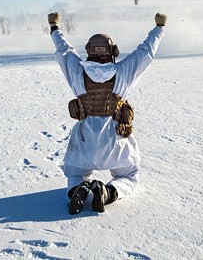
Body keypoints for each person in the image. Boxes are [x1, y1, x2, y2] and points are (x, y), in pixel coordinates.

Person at [48, 11, 166, 214]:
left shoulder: (77, 71)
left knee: (76, 174)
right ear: (113, 51)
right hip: (115, 141)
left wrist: (54, 27)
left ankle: (78, 189)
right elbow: (146, 52)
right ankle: (108, 192)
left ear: (89, 52)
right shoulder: (123, 71)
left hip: (84, 143)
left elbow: (63, 50)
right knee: (128, 176)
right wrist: (159, 28)